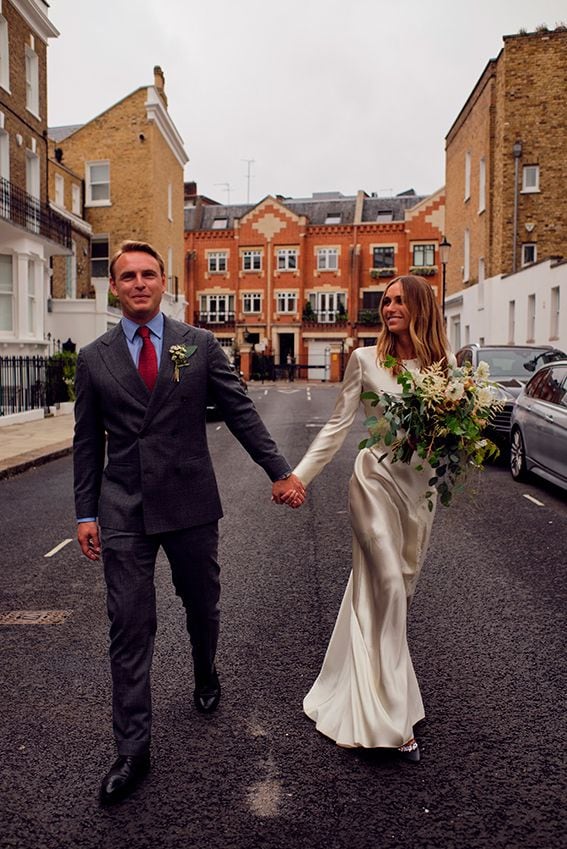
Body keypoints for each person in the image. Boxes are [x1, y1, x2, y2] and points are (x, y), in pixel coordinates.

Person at [73, 240, 305, 805]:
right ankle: (132, 751)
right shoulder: (94, 356)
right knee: (130, 625)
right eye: (127, 276)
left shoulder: (197, 346)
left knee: (202, 603)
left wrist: (280, 471)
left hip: (190, 503)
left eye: (148, 274)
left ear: (163, 281)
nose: (138, 283)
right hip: (124, 506)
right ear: (115, 287)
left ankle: (205, 668)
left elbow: (240, 411)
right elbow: (86, 441)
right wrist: (85, 512)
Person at [291, 275, 451, 762]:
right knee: (388, 586)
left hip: (420, 493)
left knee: (396, 589)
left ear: (421, 306)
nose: (390, 308)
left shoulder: (444, 367)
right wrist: (298, 476)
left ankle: (369, 684)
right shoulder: (364, 360)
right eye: (385, 301)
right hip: (374, 481)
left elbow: (450, 437)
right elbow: (337, 428)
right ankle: (393, 719)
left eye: (400, 300)